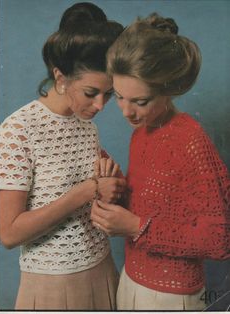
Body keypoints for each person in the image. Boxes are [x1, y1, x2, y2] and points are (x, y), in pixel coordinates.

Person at [91, 13, 230, 310]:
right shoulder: (141, 133)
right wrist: (114, 193)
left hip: (172, 296)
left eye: (140, 101)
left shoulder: (190, 140)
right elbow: (153, 207)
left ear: (168, 89)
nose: (126, 111)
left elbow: (219, 239)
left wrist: (135, 226)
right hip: (129, 281)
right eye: (119, 96)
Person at [0, 2, 125, 310]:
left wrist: (112, 188)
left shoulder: (86, 127)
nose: (100, 106)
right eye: (91, 92)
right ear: (61, 76)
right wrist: (87, 190)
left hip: (103, 269)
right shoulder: (18, 129)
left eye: (108, 94)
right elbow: (9, 233)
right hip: (51, 284)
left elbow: (94, 206)